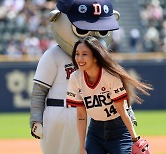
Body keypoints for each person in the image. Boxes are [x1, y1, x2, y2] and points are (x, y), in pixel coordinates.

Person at [29, 0, 123, 154]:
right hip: (58, 112)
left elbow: (116, 92)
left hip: (89, 115)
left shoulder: (101, 60)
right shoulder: (53, 55)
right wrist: (36, 119)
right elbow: (39, 91)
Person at [66, 36, 153, 154]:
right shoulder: (75, 78)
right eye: (77, 53)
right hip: (95, 130)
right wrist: (82, 147)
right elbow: (81, 115)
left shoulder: (110, 76)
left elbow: (122, 111)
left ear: (95, 57)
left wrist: (135, 139)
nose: (79, 58)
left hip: (119, 130)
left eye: (84, 54)